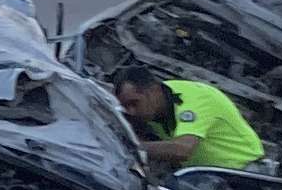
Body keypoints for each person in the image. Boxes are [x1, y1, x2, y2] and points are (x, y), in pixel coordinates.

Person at [113, 66, 266, 172]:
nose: (131, 111)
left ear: (153, 90)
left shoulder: (195, 101)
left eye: (134, 103)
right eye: (125, 106)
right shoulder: (154, 102)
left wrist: (130, 148)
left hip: (246, 172)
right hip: (202, 175)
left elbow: (182, 150)